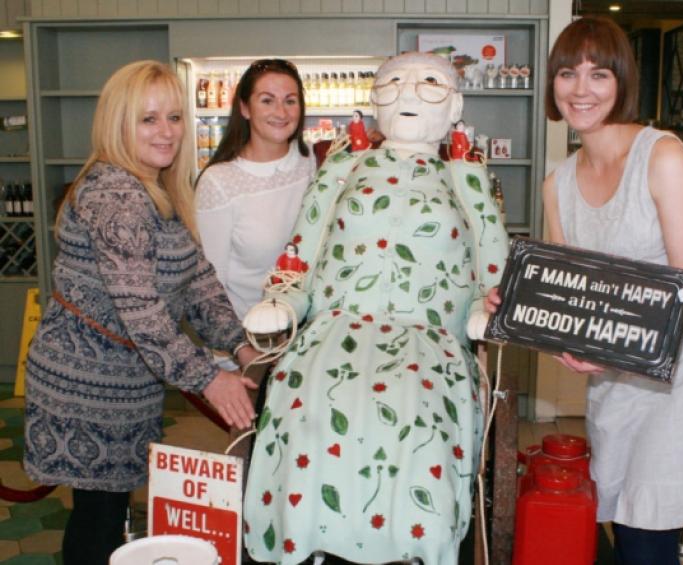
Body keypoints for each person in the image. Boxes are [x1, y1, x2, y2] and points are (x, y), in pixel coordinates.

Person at [487, 17, 683, 565]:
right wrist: (524, 309)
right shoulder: (558, 184)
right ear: (551, 84)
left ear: (622, 82)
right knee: (626, 521)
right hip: (619, 379)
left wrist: (603, 345)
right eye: (568, 74)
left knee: (648, 533)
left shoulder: (662, 156)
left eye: (599, 74)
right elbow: (568, 296)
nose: (582, 90)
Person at [241, 52, 509, 564]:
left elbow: (492, 266)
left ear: (455, 106)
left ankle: (415, 545)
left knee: (420, 416)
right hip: (334, 330)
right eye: (393, 82)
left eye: (429, 83)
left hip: (428, 337)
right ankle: (306, 541)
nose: (408, 92)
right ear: (373, 99)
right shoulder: (342, 167)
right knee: (307, 406)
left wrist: (483, 308)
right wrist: (284, 299)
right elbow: (303, 250)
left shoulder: (466, 178)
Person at [23, 60, 259, 565]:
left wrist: (238, 343)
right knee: (98, 516)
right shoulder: (116, 195)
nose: (166, 132)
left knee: (106, 511)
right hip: (84, 387)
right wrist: (210, 379)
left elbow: (198, 281)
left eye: (174, 117)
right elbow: (143, 312)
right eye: (148, 119)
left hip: (126, 383)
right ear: (118, 123)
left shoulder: (158, 188)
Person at [195, 58, 316, 343]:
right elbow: (210, 286)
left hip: (308, 338)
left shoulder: (312, 161)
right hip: (250, 343)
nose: (281, 112)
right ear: (244, 108)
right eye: (267, 100)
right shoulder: (220, 181)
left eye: (290, 101)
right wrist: (237, 352)